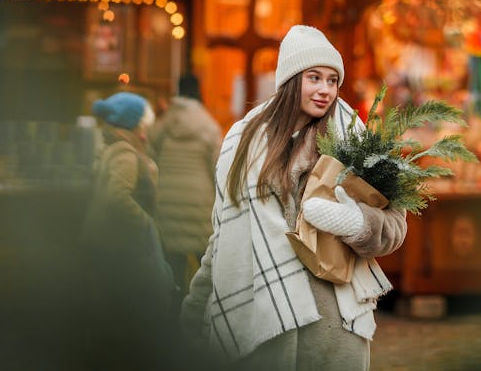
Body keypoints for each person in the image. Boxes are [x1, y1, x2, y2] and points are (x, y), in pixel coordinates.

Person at [180, 25, 408, 369]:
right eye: (314, 77)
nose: (325, 90)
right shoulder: (243, 142)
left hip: (333, 329)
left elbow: (396, 224)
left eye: (333, 80)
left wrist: (357, 223)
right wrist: (194, 312)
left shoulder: (356, 142)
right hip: (264, 325)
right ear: (290, 79)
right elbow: (226, 233)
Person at [81, 91, 178, 369]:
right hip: (121, 250)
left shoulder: (114, 149)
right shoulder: (125, 153)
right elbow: (116, 196)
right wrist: (144, 222)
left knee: (110, 317)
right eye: (142, 126)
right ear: (132, 125)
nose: (145, 133)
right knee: (124, 317)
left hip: (107, 249)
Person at [147, 72, 223, 291]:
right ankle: (200, 308)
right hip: (199, 201)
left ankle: (173, 308)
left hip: (167, 197)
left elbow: (150, 152)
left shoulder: (164, 122)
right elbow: (217, 167)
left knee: (172, 266)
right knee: (204, 263)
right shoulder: (208, 124)